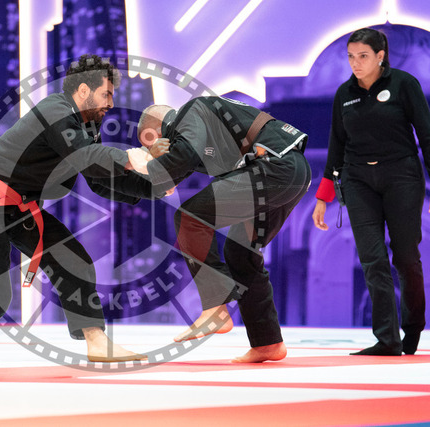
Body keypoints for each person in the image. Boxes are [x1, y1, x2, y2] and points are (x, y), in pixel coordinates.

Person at [0, 54, 155, 362]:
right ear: (83, 90)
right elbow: (85, 155)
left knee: (74, 260)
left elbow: (99, 180)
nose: (111, 103)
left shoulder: (88, 127)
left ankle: (96, 342)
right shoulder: (54, 110)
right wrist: (129, 157)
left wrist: (153, 186)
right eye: (106, 94)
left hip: (21, 207)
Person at [128, 97, 311, 363]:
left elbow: (181, 158)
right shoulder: (202, 132)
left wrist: (152, 161)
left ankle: (216, 308)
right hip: (291, 173)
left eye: (150, 143)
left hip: (274, 167)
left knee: (190, 217)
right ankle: (268, 342)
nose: (154, 150)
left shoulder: (191, 111)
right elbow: (170, 176)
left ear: (156, 130)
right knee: (240, 252)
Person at [312, 28, 429, 356]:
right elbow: (336, 145)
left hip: (402, 177)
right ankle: (387, 338)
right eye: (351, 56)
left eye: (363, 56)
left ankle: (413, 328)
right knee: (372, 258)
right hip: (358, 180)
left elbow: (427, 136)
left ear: (381, 56)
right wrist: (323, 197)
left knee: (405, 257)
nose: (355, 63)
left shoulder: (404, 84)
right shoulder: (344, 93)